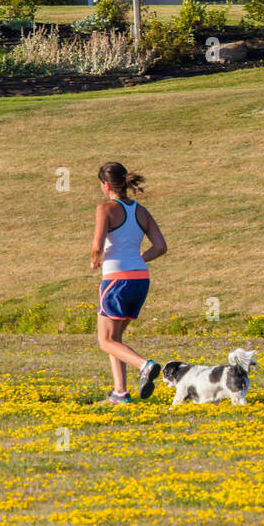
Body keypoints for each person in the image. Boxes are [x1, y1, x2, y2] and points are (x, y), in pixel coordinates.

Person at [90, 162, 167, 405]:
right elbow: (160, 247)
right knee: (116, 340)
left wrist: (94, 262)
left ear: (105, 185)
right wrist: (138, 259)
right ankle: (120, 393)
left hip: (116, 280)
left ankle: (145, 366)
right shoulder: (141, 211)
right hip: (140, 280)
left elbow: (97, 246)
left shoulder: (105, 208)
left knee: (105, 340)